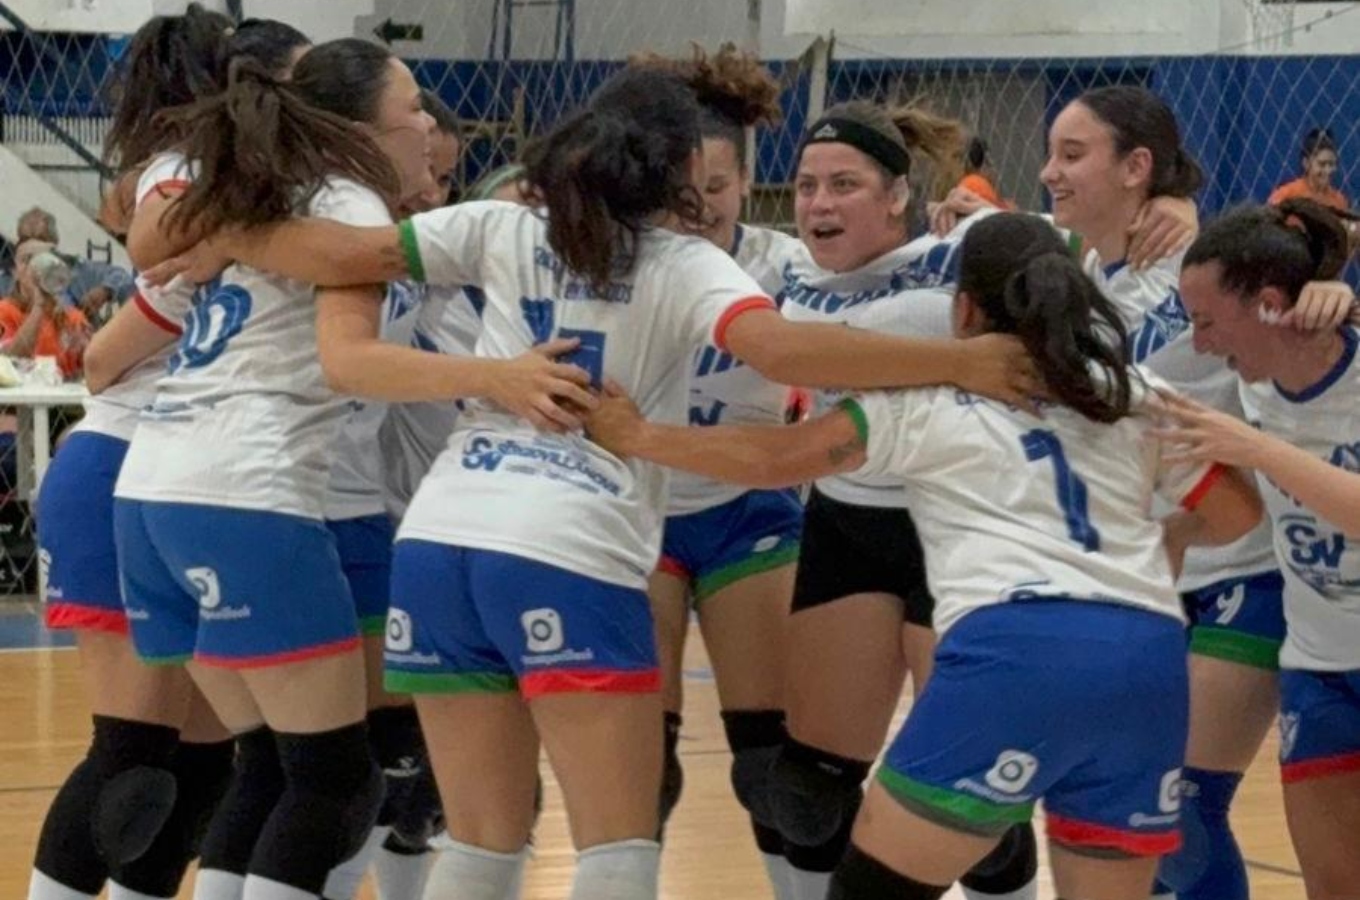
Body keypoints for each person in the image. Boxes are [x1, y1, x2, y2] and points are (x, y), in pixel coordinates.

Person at [143, 62, 1041, 900]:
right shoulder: (683, 262)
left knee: (481, 841)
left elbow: (342, 255)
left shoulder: (497, 226)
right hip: (567, 543)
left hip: (440, 539)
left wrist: (219, 230)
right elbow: (783, 350)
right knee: (617, 843)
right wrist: (961, 362)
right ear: (676, 172)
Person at [585, 211, 1265, 900]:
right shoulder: (1133, 394)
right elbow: (1237, 511)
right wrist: (1173, 538)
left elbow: (776, 459)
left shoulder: (931, 402)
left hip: (1018, 645)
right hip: (1147, 658)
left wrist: (639, 436)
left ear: (962, 311)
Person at [105, 38, 580, 900]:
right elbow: (350, 358)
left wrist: (231, 232)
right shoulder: (347, 200)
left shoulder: (271, 192)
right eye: (414, 109)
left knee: (268, 770)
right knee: (335, 785)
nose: (431, 127)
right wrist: (499, 377)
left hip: (152, 498)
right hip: (243, 491)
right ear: (360, 131)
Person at [27, 12, 310, 900]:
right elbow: (103, 360)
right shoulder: (190, 175)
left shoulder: (262, 189)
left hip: (195, 481)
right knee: (133, 759)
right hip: (122, 464)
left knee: (204, 766)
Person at [625, 42, 809, 894]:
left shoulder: (788, 265)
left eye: (719, 187)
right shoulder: (622, 259)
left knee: (773, 769)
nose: (698, 208)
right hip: (644, 513)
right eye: (681, 191)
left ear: (747, 181)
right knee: (641, 767)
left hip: (749, 512)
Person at [1167, 198, 1360, 899]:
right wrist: (1174, 536)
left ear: (1272, 305)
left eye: (1207, 321)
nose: (1199, 343)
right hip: (1319, 665)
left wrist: (1260, 450)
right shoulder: (1247, 389)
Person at [0, 239, 90, 371]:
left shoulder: (72, 317)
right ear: (15, 272)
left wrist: (86, 350)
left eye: (41, 258)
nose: (32, 267)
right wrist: (39, 306)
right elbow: (7, 363)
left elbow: (94, 369)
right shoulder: (4, 311)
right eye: (27, 259)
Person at [1268, 128, 1348, 211]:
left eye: (1331, 164)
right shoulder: (1286, 195)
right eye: (1322, 164)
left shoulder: (1339, 201)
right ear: (1306, 163)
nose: (1328, 170)